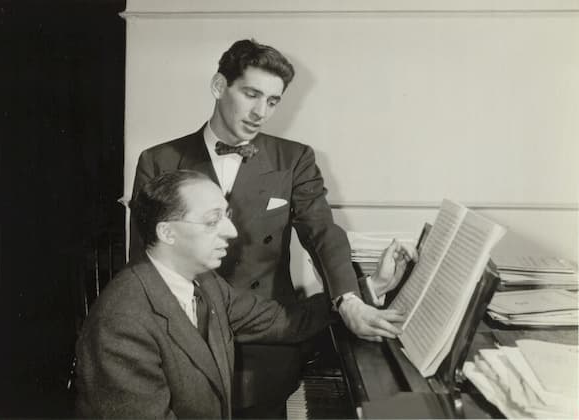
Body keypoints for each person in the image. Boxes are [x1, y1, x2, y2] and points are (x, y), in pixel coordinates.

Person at [130, 39, 417, 417]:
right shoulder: (159, 160)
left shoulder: (293, 159)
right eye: (251, 94)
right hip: (186, 347)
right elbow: (144, 264)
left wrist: (351, 299)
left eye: (273, 101)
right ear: (219, 86)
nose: (261, 112)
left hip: (267, 343)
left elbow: (322, 233)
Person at [75, 171, 334, 418]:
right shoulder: (122, 324)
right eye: (212, 221)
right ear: (167, 232)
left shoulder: (207, 283)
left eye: (226, 216)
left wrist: (357, 294)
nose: (232, 232)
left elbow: (279, 320)